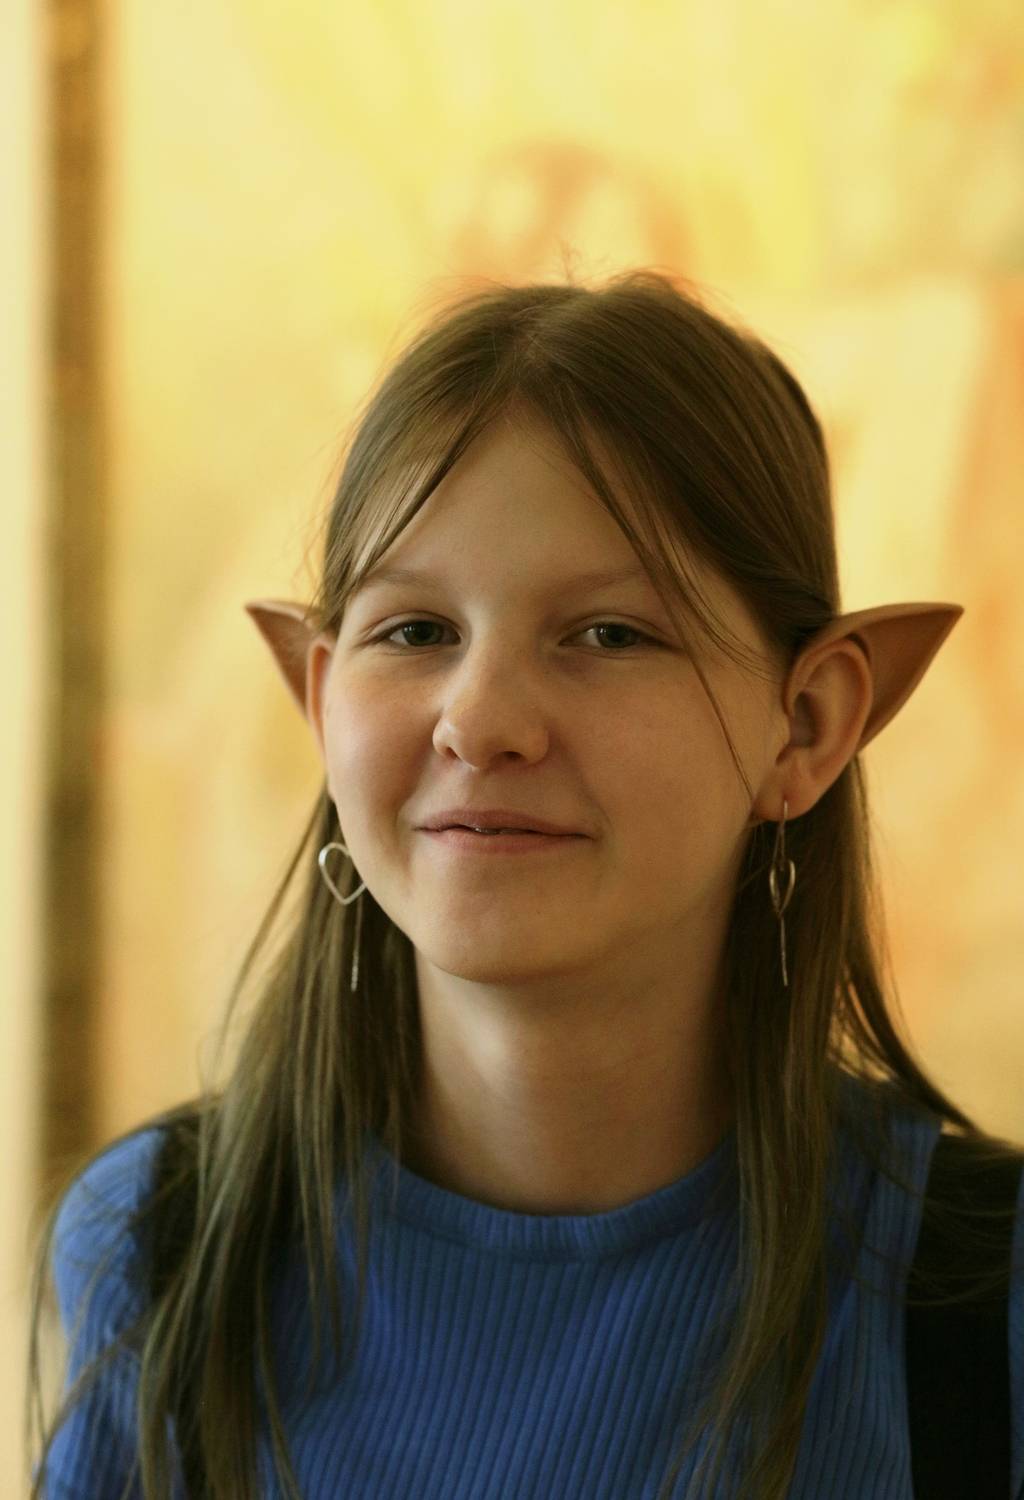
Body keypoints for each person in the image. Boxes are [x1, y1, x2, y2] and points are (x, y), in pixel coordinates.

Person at [26, 270, 1024, 1500]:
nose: (480, 721)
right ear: (323, 703)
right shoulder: (163, 1242)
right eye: (415, 631)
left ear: (806, 725)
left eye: (608, 634)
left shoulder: (981, 1304)